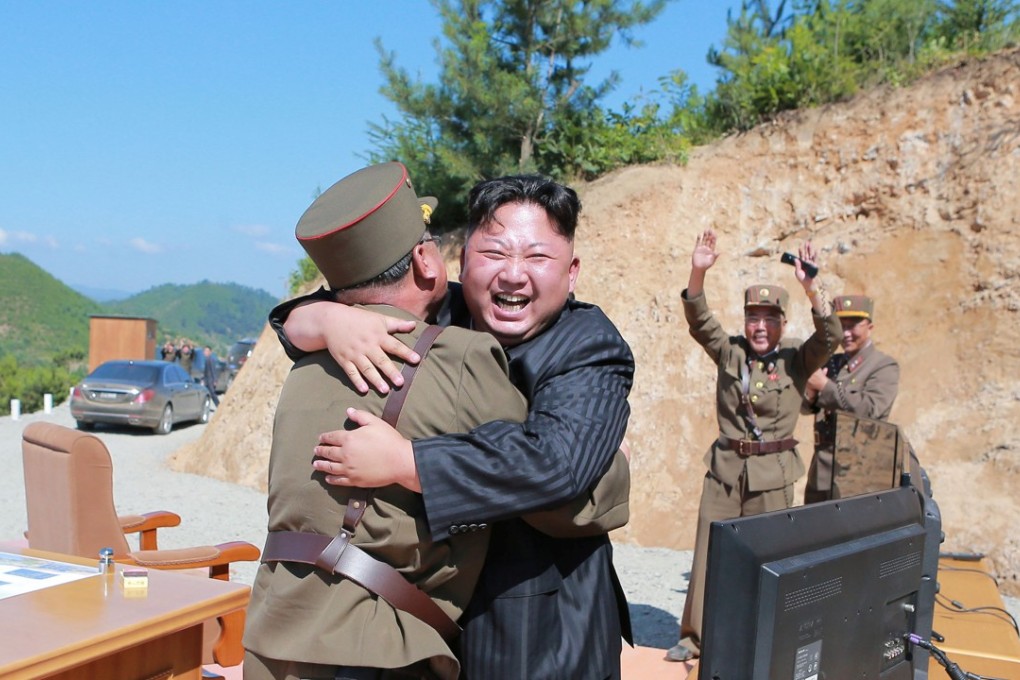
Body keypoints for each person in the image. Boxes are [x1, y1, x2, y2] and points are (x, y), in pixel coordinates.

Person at [244, 163, 629, 680]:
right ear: (460, 259)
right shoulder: (438, 310)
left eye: (537, 257)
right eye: (493, 253)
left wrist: (407, 462)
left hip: (535, 619)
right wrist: (324, 318)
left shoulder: (589, 347)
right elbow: (353, 290)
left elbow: (555, 468)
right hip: (429, 617)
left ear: (572, 271)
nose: (513, 274)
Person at [665, 228, 841, 663]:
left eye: (769, 318)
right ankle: (696, 638)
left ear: (782, 323)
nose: (759, 326)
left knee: (770, 561)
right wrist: (698, 271)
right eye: (752, 317)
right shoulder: (730, 353)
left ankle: (769, 639)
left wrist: (810, 287)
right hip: (725, 470)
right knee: (710, 553)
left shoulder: (797, 358)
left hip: (773, 475)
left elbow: (830, 336)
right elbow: (699, 318)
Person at [802, 294, 900, 503]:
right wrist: (810, 394)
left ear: (869, 326)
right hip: (822, 470)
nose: (846, 333)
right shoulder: (832, 362)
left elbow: (871, 409)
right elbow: (805, 407)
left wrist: (824, 386)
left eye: (853, 326)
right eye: (841, 326)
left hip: (859, 471)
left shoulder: (883, 365)